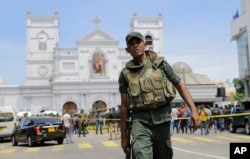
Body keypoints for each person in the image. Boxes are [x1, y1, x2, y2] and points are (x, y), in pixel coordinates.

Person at [119, 31, 201, 159]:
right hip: (140, 120)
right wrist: (124, 136)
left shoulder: (161, 65)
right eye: (132, 44)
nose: (135, 46)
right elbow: (124, 106)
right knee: (141, 154)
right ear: (127, 49)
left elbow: (180, 85)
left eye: (138, 42)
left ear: (145, 44)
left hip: (162, 120)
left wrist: (193, 110)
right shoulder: (125, 73)